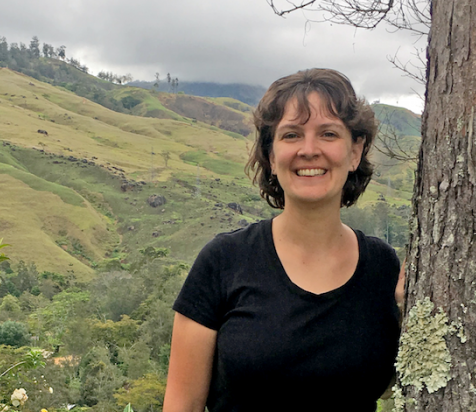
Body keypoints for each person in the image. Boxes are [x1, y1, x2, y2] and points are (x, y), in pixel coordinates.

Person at [164, 68, 403, 412]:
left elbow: (391, 385)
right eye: (291, 135)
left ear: (355, 152)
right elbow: (181, 406)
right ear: (272, 157)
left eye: (328, 134)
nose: (309, 150)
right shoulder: (224, 261)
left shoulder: (382, 267)